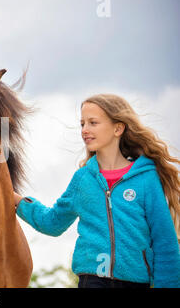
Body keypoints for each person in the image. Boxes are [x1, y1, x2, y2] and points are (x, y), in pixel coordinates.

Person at [14, 94, 180, 288]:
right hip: (91, 280)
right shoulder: (83, 179)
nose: (85, 130)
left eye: (93, 123)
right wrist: (15, 199)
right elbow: (52, 223)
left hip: (134, 282)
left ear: (118, 128)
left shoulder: (145, 179)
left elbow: (165, 242)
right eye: (82, 124)